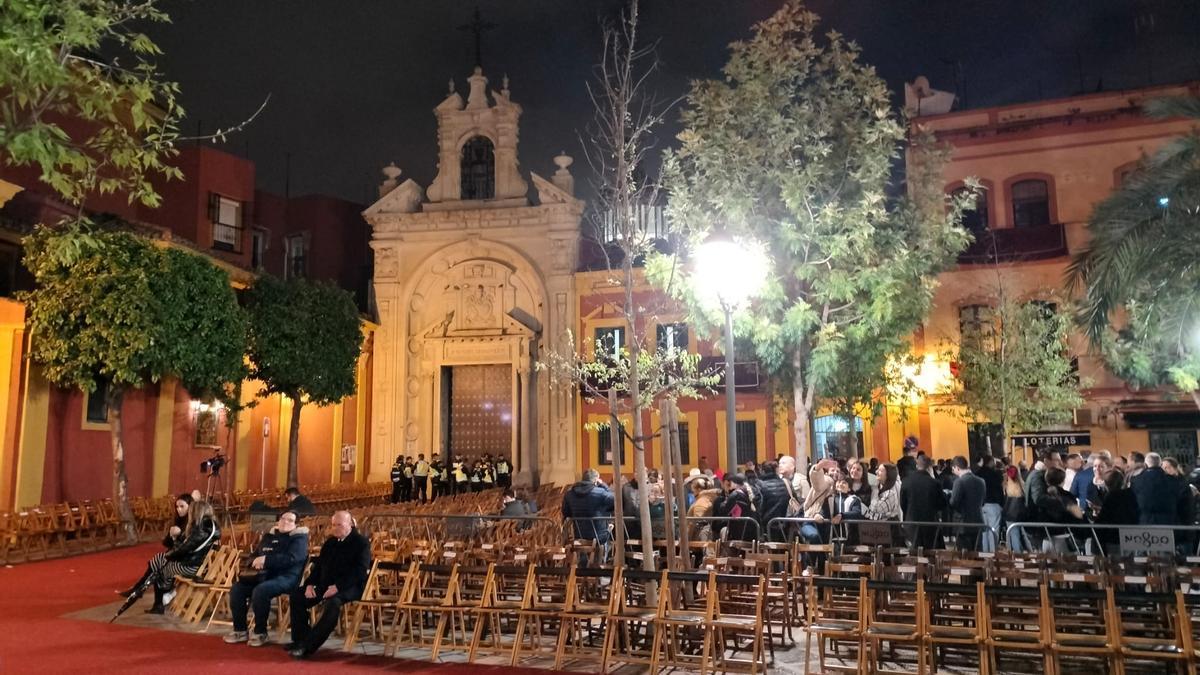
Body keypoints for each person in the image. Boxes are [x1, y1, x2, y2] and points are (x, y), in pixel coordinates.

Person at [286, 511, 371, 659]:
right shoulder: (330, 543)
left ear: (350, 524)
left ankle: (308, 646)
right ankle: (299, 640)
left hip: (350, 587)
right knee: (297, 597)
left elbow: (359, 572)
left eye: (340, 525)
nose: (336, 528)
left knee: (333, 604)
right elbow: (318, 567)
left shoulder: (361, 543)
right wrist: (310, 584)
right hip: (326, 585)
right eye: (333, 525)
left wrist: (338, 587)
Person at [225, 510, 308, 646]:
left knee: (261, 590)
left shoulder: (299, 538)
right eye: (283, 518)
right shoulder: (269, 537)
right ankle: (240, 630)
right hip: (263, 576)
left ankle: (260, 632)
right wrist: (254, 561)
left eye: (290, 520)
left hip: (287, 577)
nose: (285, 522)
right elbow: (254, 554)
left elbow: (292, 558)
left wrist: (266, 560)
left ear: (296, 525)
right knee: (237, 589)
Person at [145, 500, 220, 614]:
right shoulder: (211, 525)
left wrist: (171, 549)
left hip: (194, 567)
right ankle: (163, 595)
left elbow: (185, 549)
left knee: (159, 569)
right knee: (160, 560)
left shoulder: (201, 527)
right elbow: (185, 546)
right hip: (200, 564)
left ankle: (163, 597)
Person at [116, 493, 193, 596]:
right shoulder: (178, 521)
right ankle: (139, 589)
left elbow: (187, 546)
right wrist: (171, 535)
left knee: (159, 563)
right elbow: (166, 543)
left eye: (182, 506)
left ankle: (143, 591)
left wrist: (179, 535)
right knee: (157, 562)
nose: (179, 509)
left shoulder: (192, 524)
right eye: (177, 507)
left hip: (186, 560)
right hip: (175, 556)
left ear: (190, 506)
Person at [900, 455, 946, 550]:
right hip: (930, 524)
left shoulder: (905, 481)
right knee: (931, 554)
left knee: (915, 554)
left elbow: (903, 503)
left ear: (917, 465)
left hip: (912, 523)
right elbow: (942, 504)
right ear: (930, 467)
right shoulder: (934, 483)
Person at [560, 469, 615, 547]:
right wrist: (603, 485)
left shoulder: (569, 494)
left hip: (579, 534)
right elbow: (614, 501)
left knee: (582, 556)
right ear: (596, 480)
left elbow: (566, 512)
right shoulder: (600, 492)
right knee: (601, 552)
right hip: (599, 536)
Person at [1092, 469, 1138, 554]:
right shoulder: (1131, 494)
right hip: (1132, 536)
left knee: (1116, 563)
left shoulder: (1111, 497)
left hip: (1115, 537)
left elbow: (1104, 518)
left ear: (1106, 484)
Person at [1132, 452, 1184, 525]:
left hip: (1146, 522)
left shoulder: (1137, 480)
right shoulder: (1172, 480)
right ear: (1160, 464)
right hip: (1169, 522)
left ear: (1145, 465)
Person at [949, 456, 986, 550]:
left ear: (957, 468)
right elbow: (983, 501)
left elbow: (954, 502)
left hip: (963, 523)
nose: (953, 472)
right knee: (977, 552)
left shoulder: (959, 482)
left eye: (953, 469)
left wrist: (948, 497)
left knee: (964, 555)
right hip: (978, 521)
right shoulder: (981, 481)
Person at [755, 461, 791, 541]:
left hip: (767, 524)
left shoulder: (760, 484)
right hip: (784, 522)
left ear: (762, 471)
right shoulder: (785, 483)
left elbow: (759, 505)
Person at [714, 473, 755, 541]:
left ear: (734, 483)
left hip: (738, 532)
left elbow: (724, 511)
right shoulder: (754, 492)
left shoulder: (735, 495)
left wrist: (725, 501)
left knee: (724, 532)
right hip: (753, 530)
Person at [977, 456, 1004, 552]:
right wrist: (1001, 503)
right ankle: (992, 552)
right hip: (993, 503)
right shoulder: (995, 474)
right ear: (990, 462)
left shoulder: (977, 473)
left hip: (981, 504)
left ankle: (985, 552)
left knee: (984, 531)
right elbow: (999, 489)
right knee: (993, 529)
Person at [1002, 466, 1028, 551]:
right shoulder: (1023, 485)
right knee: (1024, 535)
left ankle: (1016, 555)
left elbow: (1004, 503)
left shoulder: (1007, 487)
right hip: (1022, 515)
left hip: (1010, 515)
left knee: (1013, 535)